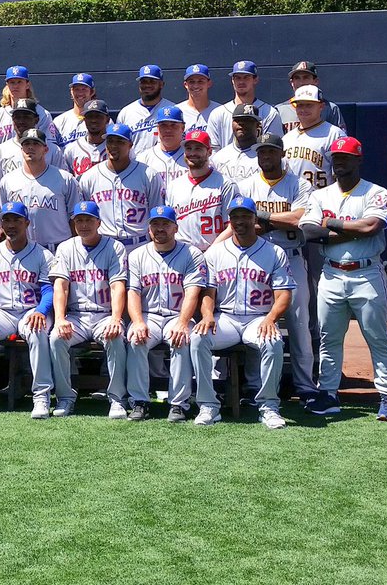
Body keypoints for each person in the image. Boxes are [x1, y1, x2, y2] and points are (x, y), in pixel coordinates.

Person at [300, 137, 387, 420]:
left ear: (359, 160)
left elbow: (370, 226)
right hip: (331, 274)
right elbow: (308, 232)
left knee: (377, 338)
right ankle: (329, 394)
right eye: (336, 156)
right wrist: (350, 229)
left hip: (367, 273)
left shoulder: (375, 192)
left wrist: (331, 223)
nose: (340, 161)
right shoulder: (321, 195)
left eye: (346, 156)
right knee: (328, 339)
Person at [191, 196, 295, 429]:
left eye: (245, 216)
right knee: (198, 338)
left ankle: (269, 406)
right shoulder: (216, 252)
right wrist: (207, 315)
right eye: (235, 217)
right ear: (230, 221)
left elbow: (284, 295)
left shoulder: (274, 252)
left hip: (259, 317)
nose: (240, 221)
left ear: (255, 220)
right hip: (226, 318)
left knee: (273, 341)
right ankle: (208, 404)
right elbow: (208, 292)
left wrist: (271, 319)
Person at [234, 133, 317, 404]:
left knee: (298, 323)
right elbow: (243, 222)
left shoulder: (299, 184)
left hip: (291, 257)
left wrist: (265, 218)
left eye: (271, 152)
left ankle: (305, 386)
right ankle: (253, 386)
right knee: (253, 320)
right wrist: (273, 221)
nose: (266, 156)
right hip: (256, 258)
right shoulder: (246, 185)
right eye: (262, 152)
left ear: (282, 155)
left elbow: (300, 218)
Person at [0, 202, 55, 418]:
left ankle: (41, 396)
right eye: (6, 220)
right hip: (2, 312)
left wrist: (41, 311)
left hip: (32, 310)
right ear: (1, 223)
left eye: (16, 220)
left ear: (27, 223)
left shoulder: (43, 255)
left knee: (37, 331)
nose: (11, 225)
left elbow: (49, 291)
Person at [125, 206, 206, 422]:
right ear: (149, 229)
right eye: (155, 224)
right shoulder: (137, 255)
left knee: (182, 339)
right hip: (148, 315)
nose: (160, 229)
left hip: (176, 316)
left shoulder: (191, 253)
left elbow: (192, 293)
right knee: (135, 338)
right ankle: (139, 401)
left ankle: (178, 404)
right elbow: (132, 292)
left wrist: (182, 322)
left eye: (165, 224)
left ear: (175, 228)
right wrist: (138, 322)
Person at [48, 202, 128, 419]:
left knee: (116, 336)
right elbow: (60, 287)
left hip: (104, 315)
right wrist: (60, 318)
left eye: (88, 220)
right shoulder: (66, 248)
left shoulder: (114, 247)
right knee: (56, 338)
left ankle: (117, 399)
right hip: (77, 316)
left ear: (98, 223)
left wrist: (116, 318)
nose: (83, 225)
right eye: (79, 220)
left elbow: (117, 286)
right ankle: (65, 397)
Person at [78, 123, 162, 252]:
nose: (113, 146)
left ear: (130, 145)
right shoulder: (89, 177)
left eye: (120, 142)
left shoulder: (148, 175)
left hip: (139, 244)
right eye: (110, 141)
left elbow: (156, 214)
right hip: (104, 246)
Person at [0, 128, 82, 251]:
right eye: (26, 144)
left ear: (45, 149)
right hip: (23, 250)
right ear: (21, 149)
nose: (30, 148)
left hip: (58, 248)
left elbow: (75, 218)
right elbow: (5, 220)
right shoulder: (7, 181)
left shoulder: (65, 179)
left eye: (36, 144)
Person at [165, 130, 238, 251]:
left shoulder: (225, 184)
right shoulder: (174, 186)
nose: (192, 153)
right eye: (188, 148)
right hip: (182, 254)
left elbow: (231, 226)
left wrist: (211, 252)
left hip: (216, 252)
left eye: (198, 148)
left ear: (209, 152)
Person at [0, 99, 69, 185]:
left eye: (26, 117)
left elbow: (64, 182)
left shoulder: (53, 150)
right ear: (12, 120)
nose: (21, 121)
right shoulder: (1, 150)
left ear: (36, 120)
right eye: (17, 117)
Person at [206, 61, 283, 151]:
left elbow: (274, 148)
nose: (241, 81)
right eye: (237, 78)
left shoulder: (270, 113)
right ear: (232, 81)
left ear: (255, 80)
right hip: (225, 164)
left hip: (258, 164)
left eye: (246, 77)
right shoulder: (218, 113)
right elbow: (213, 150)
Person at [283, 85, 344, 191]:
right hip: (293, 201)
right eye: (300, 105)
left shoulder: (334, 134)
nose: (303, 109)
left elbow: (342, 175)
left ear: (321, 106)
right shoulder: (287, 138)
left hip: (323, 201)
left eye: (309, 105)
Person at [0, 66, 59, 146]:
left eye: (19, 82)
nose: (15, 86)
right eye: (12, 82)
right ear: (7, 85)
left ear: (27, 85)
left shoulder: (42, 114)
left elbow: (48, 145)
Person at [117, 65, 176, 156]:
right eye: (144, 82)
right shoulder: (126, 112)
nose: (147, 85)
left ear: (161, 84)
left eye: (152, 82)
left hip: (164, 166)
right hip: (134, 166)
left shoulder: (172, 109)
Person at [277, 61, 346, 133]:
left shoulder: (330, 109)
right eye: (297, 78)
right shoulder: (280, 110)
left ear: (316, 81)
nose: (301, 83)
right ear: (292, 82)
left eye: (306, 77)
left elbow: (341, 141)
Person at [137, 106, 187, 196]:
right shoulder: (143, 159)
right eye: (163, 125)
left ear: (182, 128)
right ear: (157, 128)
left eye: (173, 125)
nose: (168, 130)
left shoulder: (192, 158)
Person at [210, 104, 264, 183]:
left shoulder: (264, 158)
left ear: (257, 126)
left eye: (247, 120)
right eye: (237, 120)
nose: (241, 123)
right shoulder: (219, 157)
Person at [62, 99, 109, 177]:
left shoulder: (116, 148)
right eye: (90, 116)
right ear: (84, 119)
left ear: (107, 119)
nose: (93, 120)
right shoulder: (72, 149)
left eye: (98, 116)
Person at [53, 73, 97, 148]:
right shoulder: (59, 122)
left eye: (84, 89)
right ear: (71, 92)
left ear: (92, 92)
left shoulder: (100, 120)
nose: (80, 93)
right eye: (76, 89)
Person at [174, 64, 217, 135]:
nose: (196, 86)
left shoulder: (219, 111)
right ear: (185, 84)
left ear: (209, 83)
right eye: (191, 82)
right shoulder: (177, 111)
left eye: (200, 81)